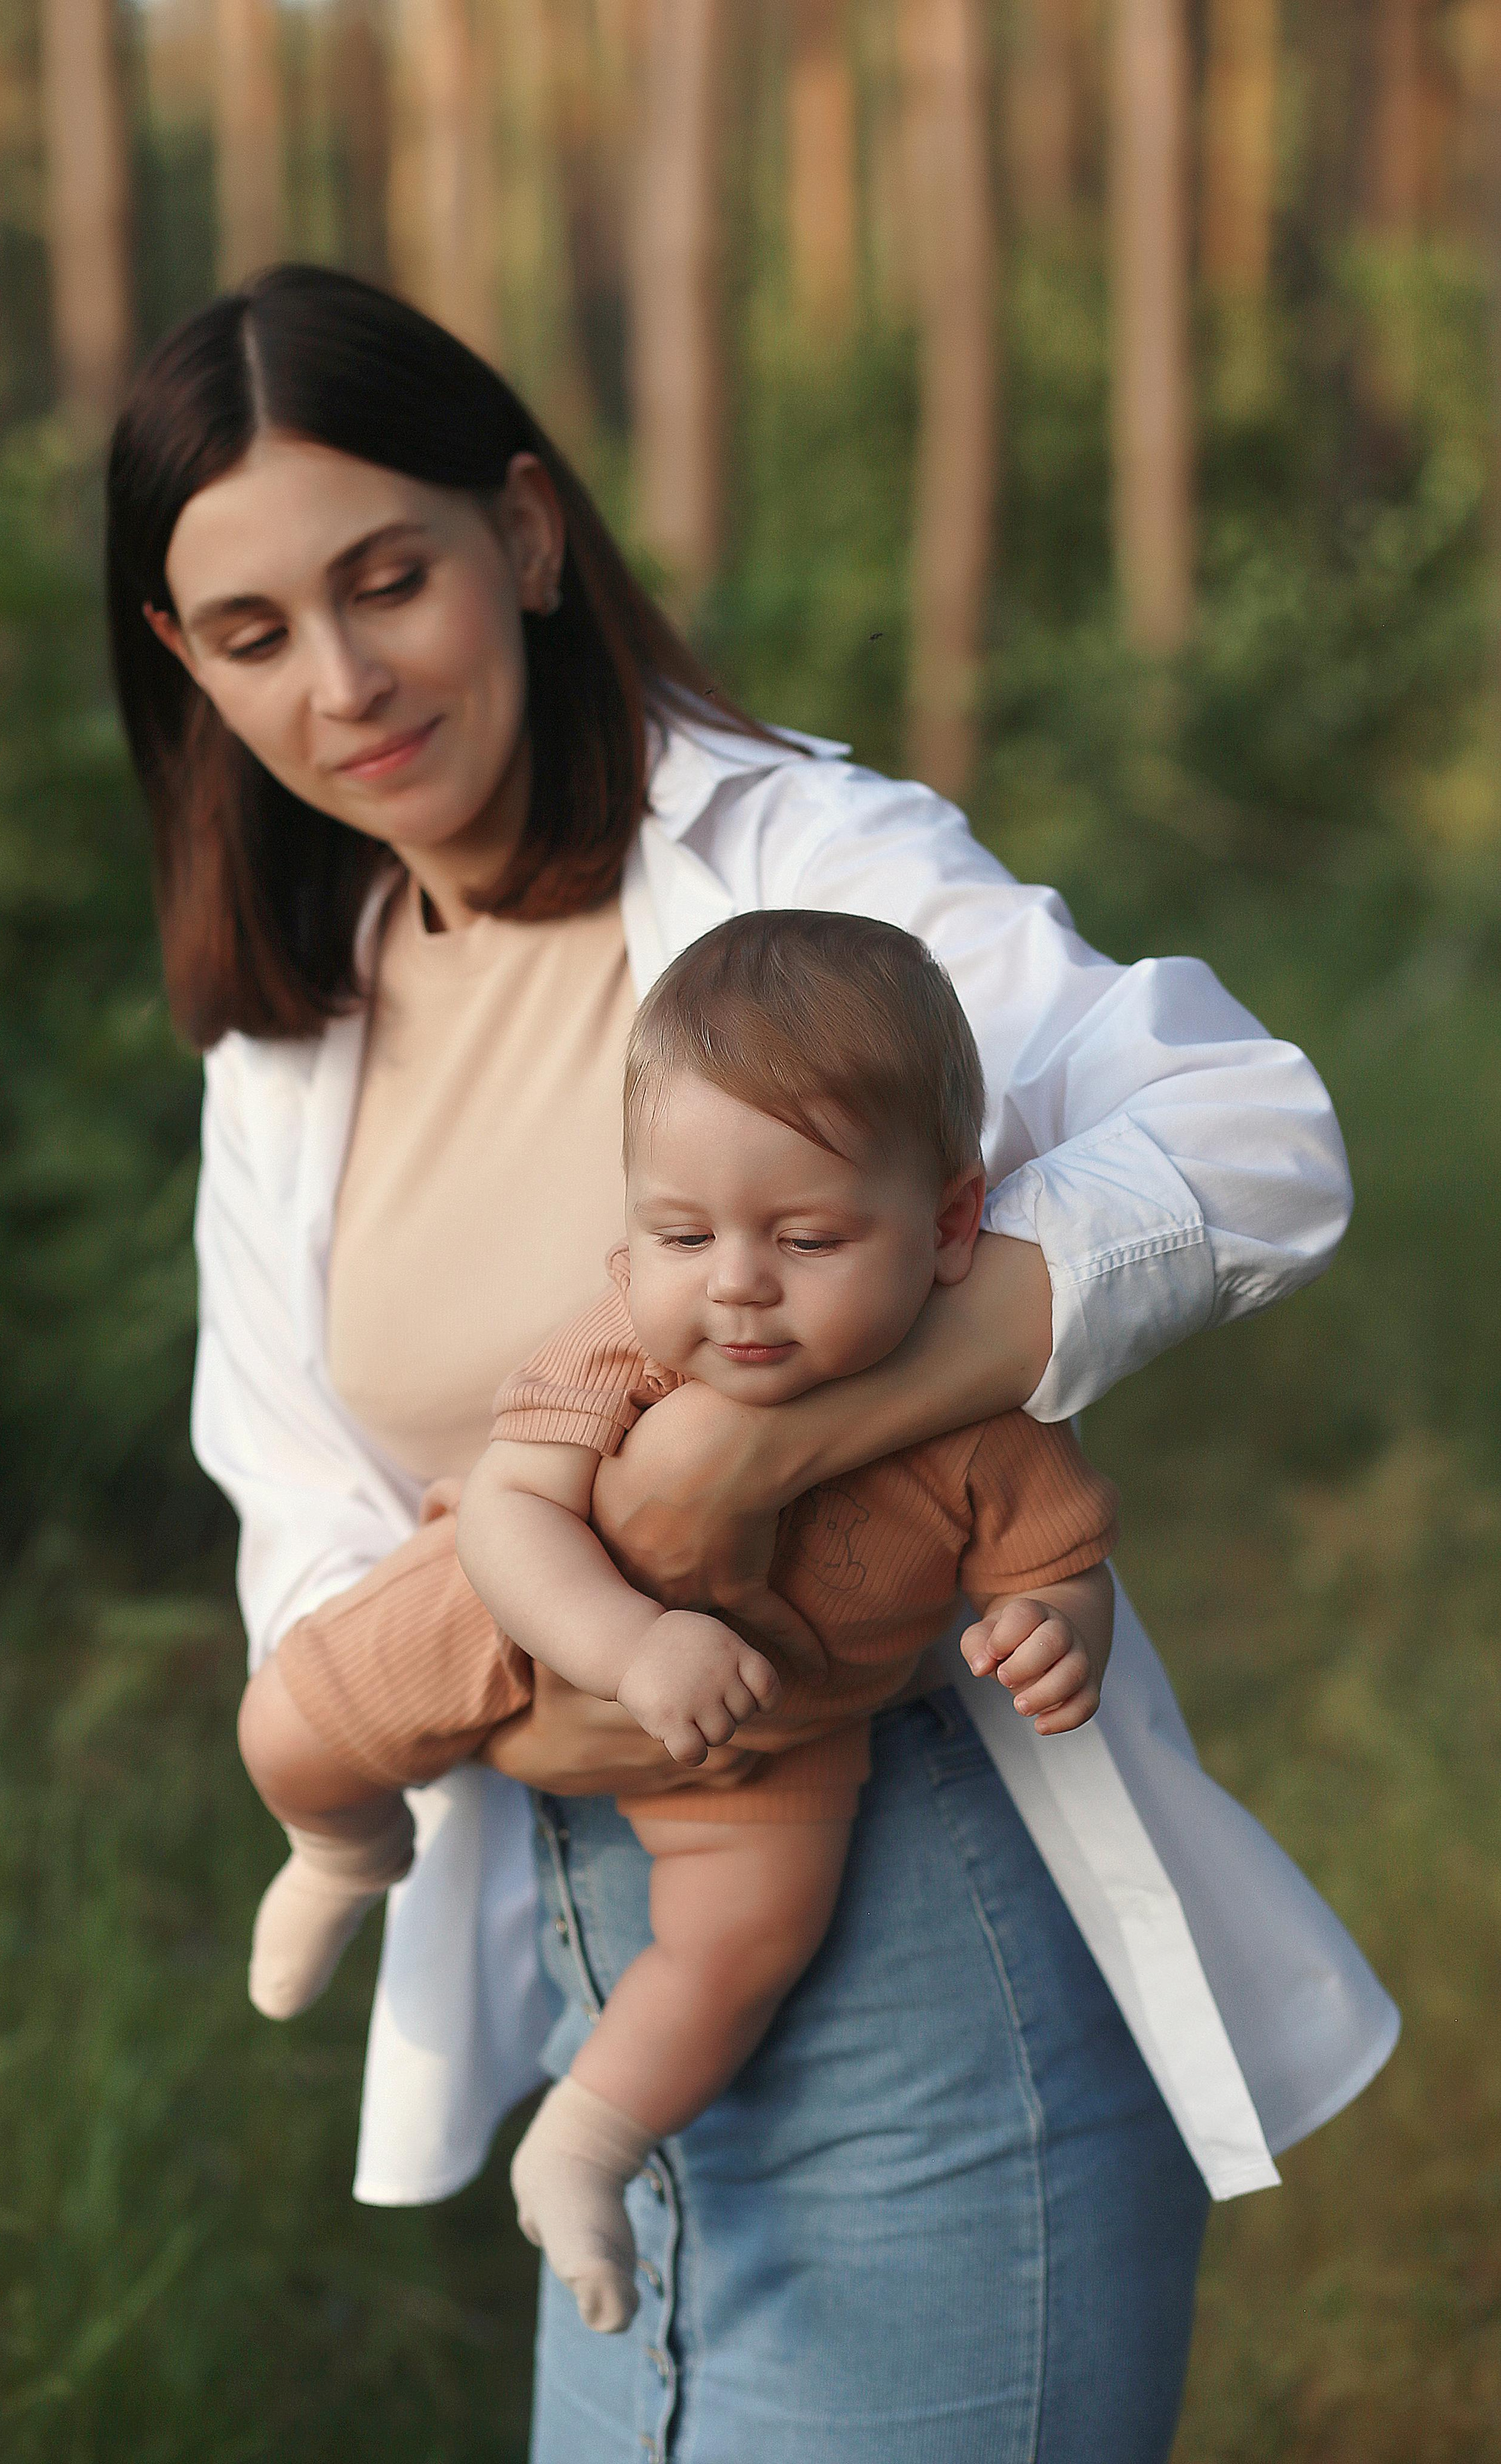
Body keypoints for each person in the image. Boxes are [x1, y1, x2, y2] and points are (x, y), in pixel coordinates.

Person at [107, 264, 1398, 2464]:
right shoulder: (297, 1030)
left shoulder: (800, 865)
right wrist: (508, 1665)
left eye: (388, 579)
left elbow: (1252, 1144)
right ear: (186, 664)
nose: (341, 681)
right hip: (617, 1997)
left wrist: (759, 1446)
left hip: (922, 1950)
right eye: (252, 633)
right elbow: (300, 1503)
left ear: (526, 534)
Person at [234, 909, 1122, 2334]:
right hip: (519, 1619)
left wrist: (1054, 1629)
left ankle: (584, 2144)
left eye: (808, 1237)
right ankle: (345, 1846)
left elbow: (1055, 1559)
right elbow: (515, 1514)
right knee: (287, 1725)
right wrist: (629, 1646)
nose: (736, 1283)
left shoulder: (979, 1413)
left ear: (950, 1224)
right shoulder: (625, 1342)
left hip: (774, 1726)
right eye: (682, 1233)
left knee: (743, 1943)